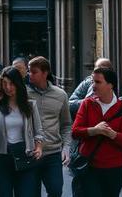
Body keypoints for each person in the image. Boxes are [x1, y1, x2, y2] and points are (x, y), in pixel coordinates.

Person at [0, 66, 45, 197]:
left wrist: (38, 147)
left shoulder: (30, 106)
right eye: (4, 83)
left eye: (11, 83)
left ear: (18, 84)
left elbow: (38, 131)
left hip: (25, 156)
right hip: (1, 158)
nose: (8, 87)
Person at [71, 67, 122, 197]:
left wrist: (112, 134)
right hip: (89, 166)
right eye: (93, 81)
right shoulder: (87, 104)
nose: (93, 86)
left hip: (113, 169)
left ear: (110, 85)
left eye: (98, 82)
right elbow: (75, 132)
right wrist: (95, 130)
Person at [27, 56, 72, 197]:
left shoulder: (60, 95)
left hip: (53, 154)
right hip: (30, 154)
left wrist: (66, 148)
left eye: (34, 72)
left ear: (45, 73)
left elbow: (66, 125)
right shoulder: (23, 94)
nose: (30, 74)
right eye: (29, 71)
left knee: (56, 191)